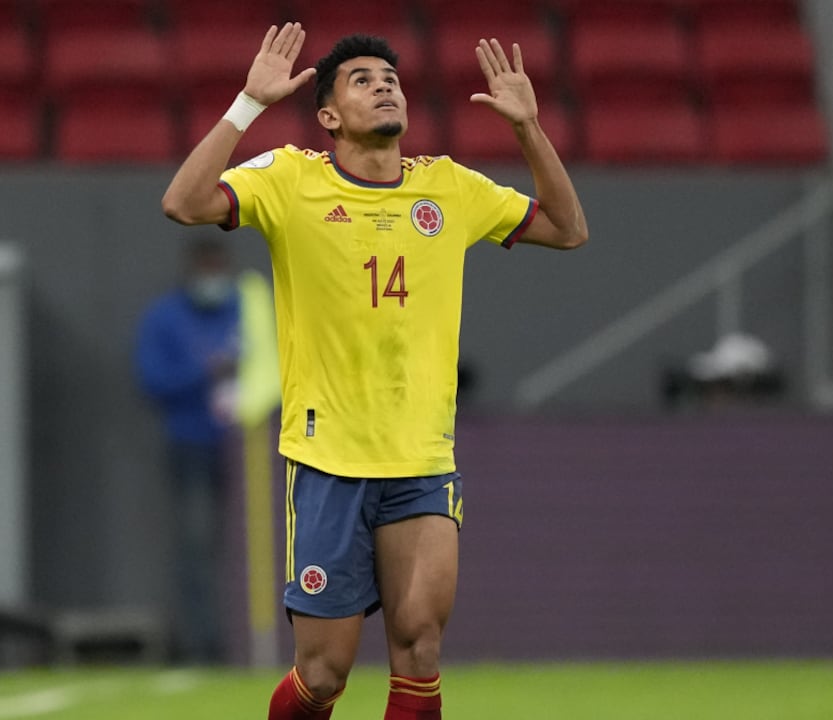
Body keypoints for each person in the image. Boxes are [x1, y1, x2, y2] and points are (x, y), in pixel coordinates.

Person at [161, 23, 587, 719]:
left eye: (390, 79)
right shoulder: (290, 179)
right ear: (329, 116)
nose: (385, 87)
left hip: (422, 461)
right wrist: (249, 104)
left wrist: (527, 129)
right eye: (362, 80)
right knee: (323, 674)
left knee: (419, 648)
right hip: (328, 459)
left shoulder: (447, 187)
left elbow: (568, 229)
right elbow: (183, 203)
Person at [135, 237, 241, 664]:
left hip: (253, 450)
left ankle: (261, 641)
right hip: (191, 445)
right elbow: (152, 380)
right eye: (205, 269)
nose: (212, 278)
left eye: (218, 268)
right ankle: (205, 645)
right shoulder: (164, 317)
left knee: (256, 547)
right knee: (197, 545)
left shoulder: (246, 311)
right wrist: (204, 371)